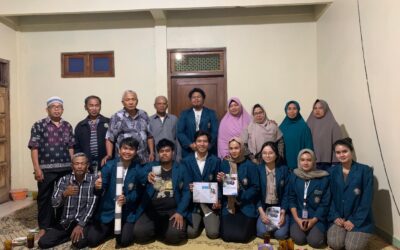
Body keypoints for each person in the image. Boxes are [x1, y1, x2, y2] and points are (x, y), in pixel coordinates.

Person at [28, 96, 75, 239]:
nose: (56, 109)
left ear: (62, 109)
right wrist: (37, 168)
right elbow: (34, 147)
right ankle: (44, 227)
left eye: (59, 107)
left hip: (66, 168)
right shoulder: (38, 125)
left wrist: (73, 165)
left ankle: (60, 224)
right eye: (53, 107)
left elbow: (71, 147)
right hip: (46, 169)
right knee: (44, 198)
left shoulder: (67, 126)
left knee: (64, 196)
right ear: (47, 109)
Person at [86, 137, 142, 247]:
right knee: (91, 240)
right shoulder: (109, 165)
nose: (127, 152)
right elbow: (102, 187)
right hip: (108, 211)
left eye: (131, 149)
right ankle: (108, 228)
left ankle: (118, 229)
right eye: (125, 148)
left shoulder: (138, 168)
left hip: (126, 213)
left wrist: (127, 199)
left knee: (124, 241)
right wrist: (98, 186)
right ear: (119, 150)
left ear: (135, 152)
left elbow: (138, 192)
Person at [133, 139, 190, 245]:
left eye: (167, 151)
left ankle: (163, 229)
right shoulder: (152, 166)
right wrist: (146, 176)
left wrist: (180, 212)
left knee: (175, 237)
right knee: (139, 234)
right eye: (161, 151)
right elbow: (138, 175)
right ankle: (159, 229)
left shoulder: (181, 168)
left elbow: (187, 192)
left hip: (172, 210)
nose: (164, 153)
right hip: (152, 210)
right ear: (158, 153)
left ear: (173, 152)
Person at [38, 153, 97, 249]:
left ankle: (74, 235)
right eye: (77, 164)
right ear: (72, 166)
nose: (79, 166)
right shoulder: (64, 180)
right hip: (66, 222)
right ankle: (69, 236)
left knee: (79, 244)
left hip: (83, 222)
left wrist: (80, 225)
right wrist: (64, 194)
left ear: (87, 165)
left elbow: (91, 206)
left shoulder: (93, 180)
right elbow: (54, 204)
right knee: (43, 242)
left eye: (82, 164)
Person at [327, 138, 374, 250]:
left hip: (359, 219)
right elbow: (329, 197)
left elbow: (366, 200)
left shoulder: (365, 171)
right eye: (338, 152)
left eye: (345, 151)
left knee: (352, 247)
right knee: (335, 244)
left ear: (351, 151)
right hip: (339, 217)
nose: (341, 155)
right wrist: (335, 216)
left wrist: (354, 220)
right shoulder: (331, 172)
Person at [217, 137, 259, 243]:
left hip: (245, 204)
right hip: (229, 205)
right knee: (226, 236)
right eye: (231, 148)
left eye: (236, 148)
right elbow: (222, 188)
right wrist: (221, 182)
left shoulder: (250, 165)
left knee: (242, 237)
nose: (233, 151)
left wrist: (240, 195)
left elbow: (255, 187)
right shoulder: (225, 163)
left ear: (242, 148)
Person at [182, 130, 221, 239]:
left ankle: (207, 219)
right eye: (199, 141)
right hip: (194, 204)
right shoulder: (186, 161)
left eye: (205, 141)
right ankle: (201, 220)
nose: (202, 144)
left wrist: (218, 199)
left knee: (213, 234)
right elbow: (183, 183)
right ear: (194, 143)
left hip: (210, 205)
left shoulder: (216, 160)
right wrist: (187, 187)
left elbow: (219, 183)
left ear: (208, 144)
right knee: (191, 233)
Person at [288, 149, 330, 248]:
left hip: (316, 217)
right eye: (302, 160)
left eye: (309, 160)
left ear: (314, 161)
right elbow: (291, 199)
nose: (305, 162)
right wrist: (297, 219)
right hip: (298, 215)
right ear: (299, 161)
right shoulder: (294, 175)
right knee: (299, 240)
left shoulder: (323, 178)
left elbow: (325, 204)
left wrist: (313, 221)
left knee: (315, 242)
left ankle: (319, 231)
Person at [104, 90, 154, 165]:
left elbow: (149, 136)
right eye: (127, 100)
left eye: (133, 99)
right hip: (123, 160)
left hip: (142, 159)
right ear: (123, 102)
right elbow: (109, 138)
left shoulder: (144, 114)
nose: (131, 102)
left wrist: (152, 152)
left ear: (137, 101)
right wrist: (109, 155)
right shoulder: (117, 117)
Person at [256, 141, 290, 240]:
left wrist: (283, 213)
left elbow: (286, 194)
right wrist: (262, 213)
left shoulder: (284, 170)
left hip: (280, 208)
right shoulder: (258, 170)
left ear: (276, 154)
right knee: (262, 233)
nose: (267, 155)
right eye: (264, 153)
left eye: (270, 153)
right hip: (265, 208)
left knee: (281, 235)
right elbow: (256, 194)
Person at [177, 87, 219, 158]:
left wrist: (207, 144)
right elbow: (180, 132)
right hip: (189, 151)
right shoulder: (184, 114)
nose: (196, 99)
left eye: (199, 97)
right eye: (193, 97)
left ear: (203, 99)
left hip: (207, 150)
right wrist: (190, 144)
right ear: (190, 100)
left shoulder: (211, 113)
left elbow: (215, 131)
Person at [74, 95, 110, 173]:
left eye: (97, 105)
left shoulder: (108, 122)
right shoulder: (80, 126)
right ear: (86, 107)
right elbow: (77, 147)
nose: (94, 108)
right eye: (91, 105)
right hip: (87, 165)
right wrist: (81, 163)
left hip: (106, 162)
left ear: (100, 107)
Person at [307, 99, 342, 170]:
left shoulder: (333, 125)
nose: (317, 110)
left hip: (328, 163)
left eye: (320, 108)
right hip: (310, 161)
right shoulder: (308, 124)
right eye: (315, 108)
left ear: (325, 109)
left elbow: (337, 145)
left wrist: (335, 162)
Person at [279, 101, 313, 169]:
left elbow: (309, 147)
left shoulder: (304, 127)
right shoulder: (281, 127)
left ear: (298, 110)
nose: (292, 111)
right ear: (286, 110)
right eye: (289, 108)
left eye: (294, 108)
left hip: (301, 165)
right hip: (284, 165)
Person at [149, 96, 181, 162]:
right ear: (155, 106)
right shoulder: (149, 120)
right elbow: (149, 138)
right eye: (159, 104)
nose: (162, 106)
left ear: (167, 105)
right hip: (156, 157)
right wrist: (151, 153)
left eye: (164, 103)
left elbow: (178, 138)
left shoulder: (174, 119)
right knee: (157, 172)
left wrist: (178, 156)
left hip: (172, 156)